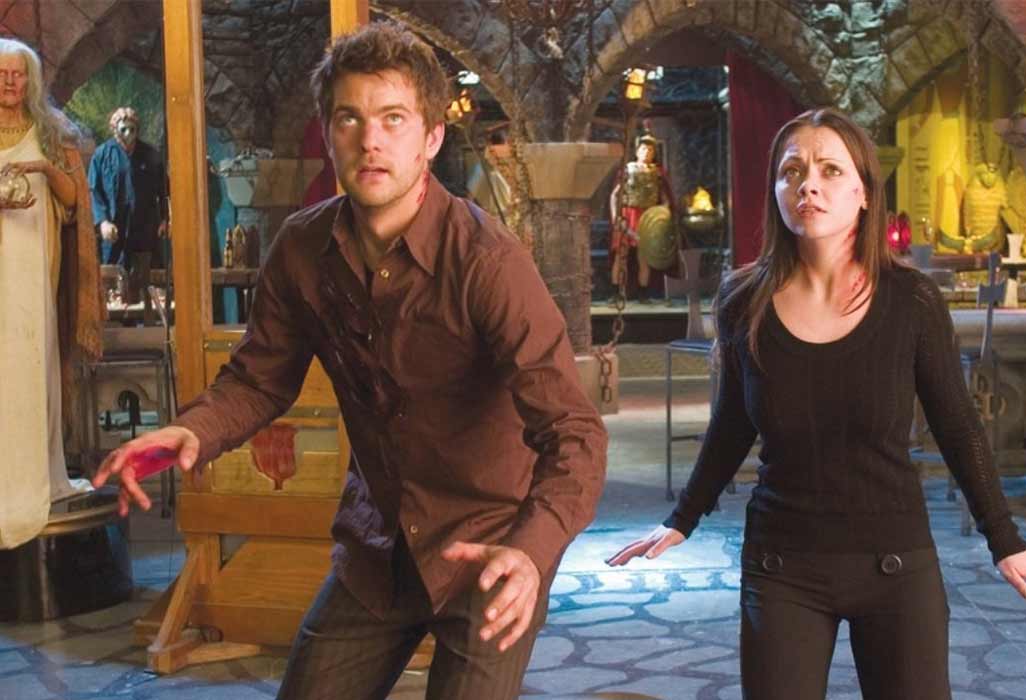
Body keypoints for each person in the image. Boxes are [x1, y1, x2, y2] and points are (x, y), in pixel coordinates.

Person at [92, 21, 606, 700]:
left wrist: (533, 552)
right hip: (378, 544)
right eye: (349, 119)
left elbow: (575, 434)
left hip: (488, 547)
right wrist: (190, 431)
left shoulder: (488, 263)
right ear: (328, 134)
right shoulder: (301, 249)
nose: (370, 141)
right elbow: (258, 380)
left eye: (394, 119)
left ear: (431, 138)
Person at [608, 108, 1026, 700]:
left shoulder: (910, 300)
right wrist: (682, 518)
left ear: (864, 192)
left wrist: (1005, 540)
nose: (808, 185)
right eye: (792, 171)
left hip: (895, 561)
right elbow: (731, 423)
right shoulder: (743, 300)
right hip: (782, 565)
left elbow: (958, 426)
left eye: (830, 170)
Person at [0, 38, 103, 549]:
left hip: (34, 271)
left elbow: (73, 200)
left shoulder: (52, 130)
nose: (9, 82)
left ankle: (36, 475)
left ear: (31, 80)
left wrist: (43, 169)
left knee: (30, 366)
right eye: (2, 74)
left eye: (18, 74)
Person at [87, 106, 168, 311]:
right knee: (113, 287)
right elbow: (94, 191)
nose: (128, 134)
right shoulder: (102, 155)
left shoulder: (150, 155)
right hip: (114, 233)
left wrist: (165, 219)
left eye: (132, 129)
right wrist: (102, 222)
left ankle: (151, 321)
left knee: (149, 283)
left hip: (145, 231)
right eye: (123, 129)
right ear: (115, 129)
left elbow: (164, 191)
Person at [609, 133, 673, 302]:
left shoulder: (657, 173)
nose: (647, 152)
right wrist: (616, 217)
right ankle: (616, 292)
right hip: (628, 215)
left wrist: (662, 215)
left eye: (650, 150)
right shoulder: (627, 169)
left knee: (644, 257)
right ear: (637, 151)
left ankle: (643, 293)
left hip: (647, 217)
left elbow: (665, 199)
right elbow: (615, 195)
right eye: (644, 148)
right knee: (621, 255)